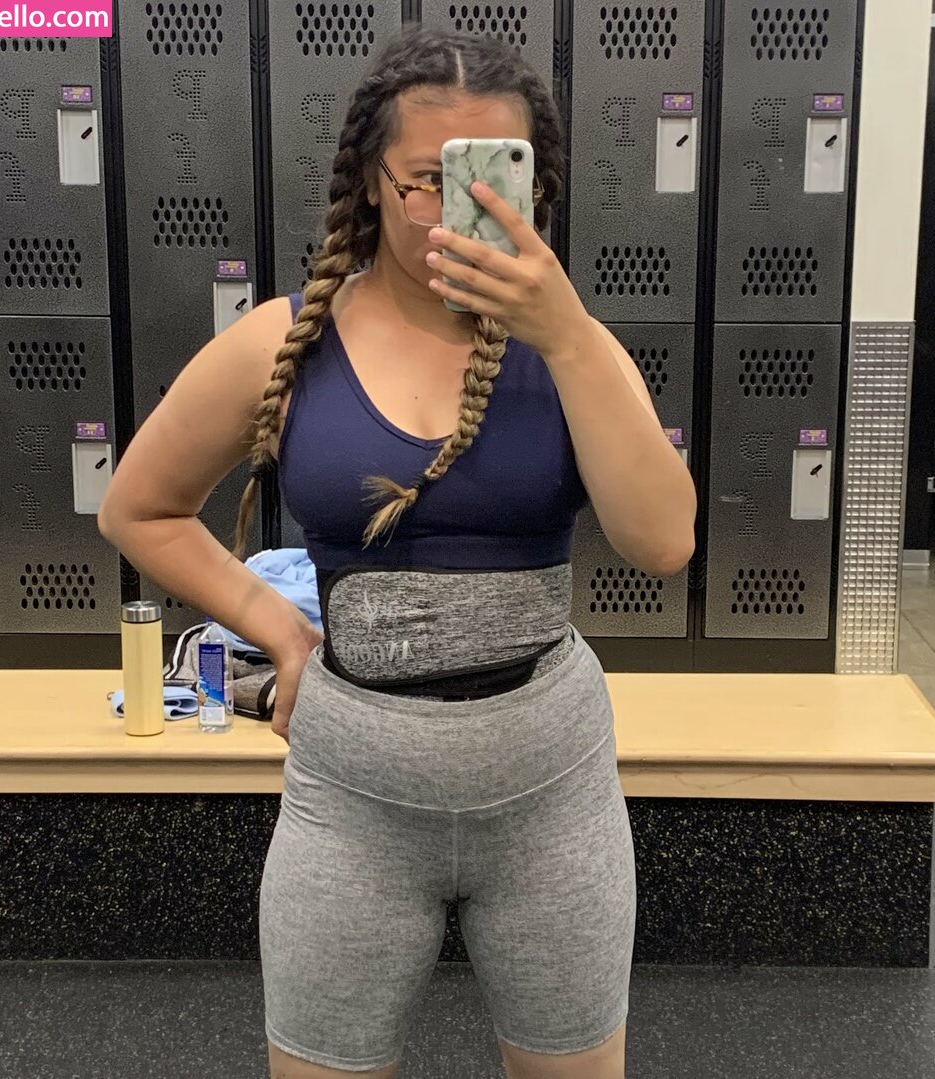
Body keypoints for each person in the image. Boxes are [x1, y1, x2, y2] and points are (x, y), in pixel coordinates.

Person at [98, 25, 696, 1079]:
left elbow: (662, 541)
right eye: (427, 182)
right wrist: (284, 634)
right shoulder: (285, 342)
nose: (455, 212)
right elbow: (139, 508)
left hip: (552, 797)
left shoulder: (575, 350)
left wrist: (565, 336)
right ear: (372, 183)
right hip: (353, 801)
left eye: (495, 180)